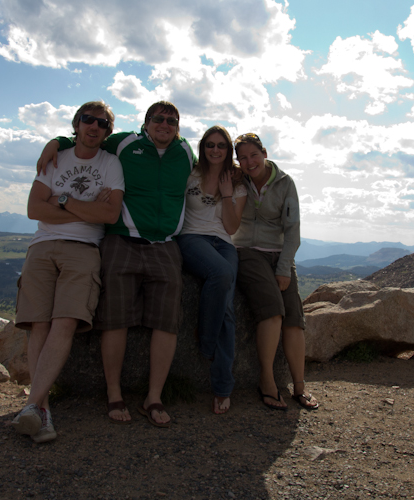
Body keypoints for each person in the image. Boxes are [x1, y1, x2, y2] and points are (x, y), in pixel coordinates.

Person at [36, 101, 195, 427]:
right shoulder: (123, 143)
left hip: (165, 244)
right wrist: (57, 142)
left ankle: (154, 396)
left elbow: (216, 160)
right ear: (145, 123)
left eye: (171, 120)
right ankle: (113, 392)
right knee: (115, 319)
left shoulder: (186, 152)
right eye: (158, 119)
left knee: (167, 322)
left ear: (178, 127)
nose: (164, 124)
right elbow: (87, 138)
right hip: (121, 239)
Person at [13, 101, 125, 442]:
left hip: (84, 250)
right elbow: (34, 209)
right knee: (38, 324)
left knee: (64, 321)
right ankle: (39, 411)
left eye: (102, 123)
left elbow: (109, 215)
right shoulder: (55, 157)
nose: (94, 126)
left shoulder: (111, 164)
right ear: (76, 124)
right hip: (42, 246)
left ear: (107, 132)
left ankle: (34, 408)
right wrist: (86, 208)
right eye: (88, 120)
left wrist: (60, 202)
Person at [232, 133, 319, 411]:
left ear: (264, 153)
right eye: (242, 158)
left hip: (279, 254)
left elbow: (293, 230)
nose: (249, 162)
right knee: (272, 310)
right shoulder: (237, 179)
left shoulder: (284, 182)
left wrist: (284, 267)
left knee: (294, 319)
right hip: (247, 251)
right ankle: (267, 381)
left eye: (253, 155)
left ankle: (300, 386)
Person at [175, 125, 246, 415]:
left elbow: (231, 227)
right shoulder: (190, 173)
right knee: (222, 274)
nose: (215, 150)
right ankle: (206, 343)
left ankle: (221, 388)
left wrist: (227, 194)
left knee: (227, 310)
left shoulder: (236, 182)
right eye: (209, 145)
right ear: (202, 148)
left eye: (221, 146)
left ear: (228, 151)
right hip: (191, 238)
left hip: (223, 242)